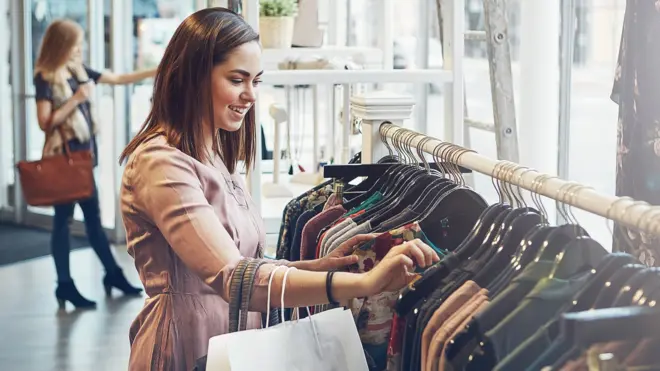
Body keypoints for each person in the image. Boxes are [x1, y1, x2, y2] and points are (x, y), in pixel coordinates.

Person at [118, 8, 439, 370]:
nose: (251, 95)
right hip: (184, 343)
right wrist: (363, 284)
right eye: (237, 80)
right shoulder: (161, 163)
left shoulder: (212, 153)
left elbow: (242, 264)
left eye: (256, 81)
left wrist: (318, 267)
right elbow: (233, 278)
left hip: (229, 342)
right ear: (193, 77)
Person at [34, 19, 154, 310]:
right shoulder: (46, 76)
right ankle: (67, 284)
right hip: (64, 158)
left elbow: (119, 79)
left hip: (83, 158)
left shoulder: (77, 70)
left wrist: (161, 68)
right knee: (64, 222)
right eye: (75, 42)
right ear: (62, 44)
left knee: (93, 220)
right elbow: (44, 122)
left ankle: (110, 275)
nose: (79, 48)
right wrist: (77, 99)